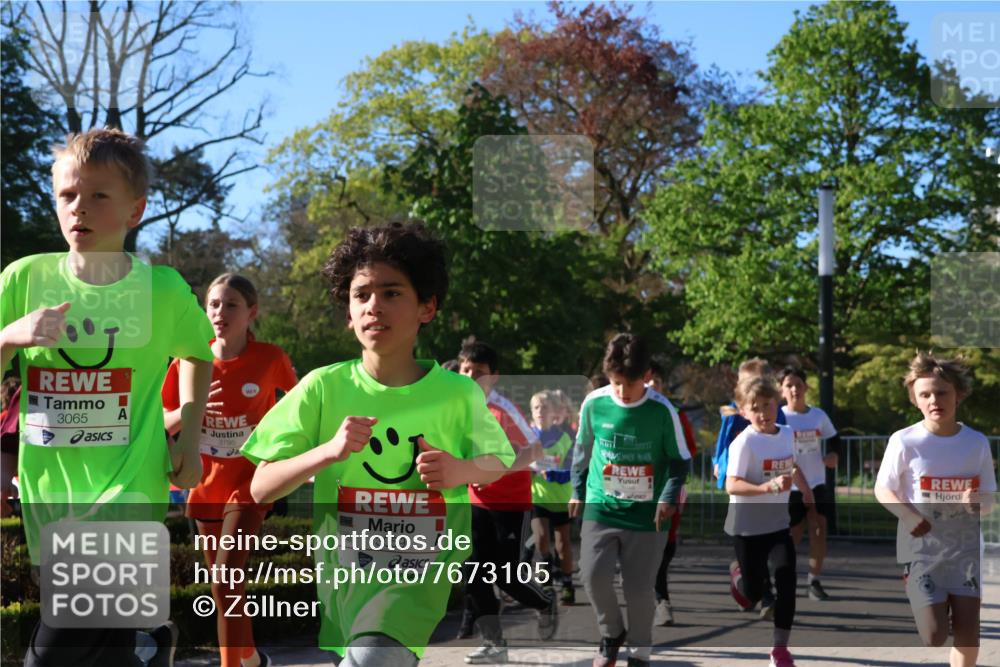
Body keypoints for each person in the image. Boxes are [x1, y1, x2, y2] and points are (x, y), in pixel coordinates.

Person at [244, 223, 517, 667]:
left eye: (392, 293)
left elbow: (499, 460)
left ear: (426, 307)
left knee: (372, 657)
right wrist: (327, 452)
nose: (374, 307)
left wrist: (460, 471)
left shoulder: (457, 393)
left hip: (419, 573)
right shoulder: (321, 388)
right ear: (349, 312)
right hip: (344, 578)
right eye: (362, 295)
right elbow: (261, 488)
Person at [0, 128, 214, 667]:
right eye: (68, 195)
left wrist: (188, 437)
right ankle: (149, 646)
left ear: (134, 210)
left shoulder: (161, 289)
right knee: (102, 645)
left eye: (99, 196)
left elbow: (197, 353)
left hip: (129, 489)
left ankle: (145, 644)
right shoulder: (23, 280)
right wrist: (10, 337)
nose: (80, 209)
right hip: (51, 495)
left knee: (56, 648)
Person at [162, 273, 298, 667]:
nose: (220, 312)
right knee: (225, 587)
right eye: (214, 304)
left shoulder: (271, 358)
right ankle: (252, 658)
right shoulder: (189, 360)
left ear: (251, 312)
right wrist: (192, 411)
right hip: (203, 484)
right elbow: (160, 423)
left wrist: (284, 449)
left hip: (251, 483)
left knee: (225, 578)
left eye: (231, 304)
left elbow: (299, 407)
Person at [570, 333, 690, 667]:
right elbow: (582, 450)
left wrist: (668, 497)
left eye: (630, 383)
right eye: (616, 382)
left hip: (647, 515)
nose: (622, 392)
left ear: (646, 376)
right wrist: (577, 490)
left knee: (639, 591)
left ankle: (640, 653)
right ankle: (611, 634)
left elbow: (681, 461)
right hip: (602, 505)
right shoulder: (595, 403)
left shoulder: (662, 410)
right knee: (592, 575)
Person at [874, 353, 996, 667]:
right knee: (934, 636)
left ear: (959, 393)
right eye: (925, 394)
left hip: (965, 551)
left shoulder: (976, 443)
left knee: (968, 633)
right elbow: (882, 489)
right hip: (923, 552)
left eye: (941, 392)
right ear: (915, 399)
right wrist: (907, 514)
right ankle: (918, 588)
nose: (934, 400)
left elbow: (988, 500)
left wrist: (977, 501)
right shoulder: (905, 441)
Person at [456, 339, 556, 664]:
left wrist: (492, 470)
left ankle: (544, 603)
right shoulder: (456, 405)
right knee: (472, 572)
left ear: (493, 377)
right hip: (474, 503)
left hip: (510, 505)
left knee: (505, 575)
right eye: (465, 369)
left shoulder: (502, 410)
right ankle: (493, 644)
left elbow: (535, 450)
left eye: (479, 372)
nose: (471, 377)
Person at [724, 376, 813, 667]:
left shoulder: (787, 434)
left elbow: (792, 463)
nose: (763, 413)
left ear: (778, 404)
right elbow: (731, 485)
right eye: (756, 407)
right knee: (751, 595)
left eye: (768, 405)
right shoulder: (744, 442)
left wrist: (807, 489)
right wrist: (766, 488)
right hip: (747, 528)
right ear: (744, 412)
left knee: (787, 579)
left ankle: (780, 649)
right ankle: (739, 574)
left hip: (777, 525)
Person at [712, 357, 786, 619]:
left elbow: (785, 443)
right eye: (743, 383)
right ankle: (759, 590)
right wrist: (717, 464)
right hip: (744, 485)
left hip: (773, 490)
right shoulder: (735, 414)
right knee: (752, 547)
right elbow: (723, 445)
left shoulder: (777, 413)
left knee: (771, 545)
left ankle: (764, 592)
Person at [778, 366, 839, 601]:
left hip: (817, 482)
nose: (794, 390)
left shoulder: (818, 416)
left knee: (819, 529)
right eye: (789, 385)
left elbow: (834, 438)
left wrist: (834, 455)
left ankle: (813, 580)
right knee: (792, 534)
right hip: (790, 485)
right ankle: (784, 579)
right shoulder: (780, 416)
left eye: (798, 385)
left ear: (806, 388)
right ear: (782, 390)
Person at [646, 360, 698, 627]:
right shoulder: (627, 413)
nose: (651, 386)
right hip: (636, 489)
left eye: (656, 381)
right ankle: (660, 599)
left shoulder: (675, 414)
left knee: (666, 543)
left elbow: (689, 450)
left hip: (669, 486)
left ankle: (658, 596)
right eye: (647, 381)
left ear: (663, 386)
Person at [528, 390, 576, 605]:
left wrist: (554, 474)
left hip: (561, 498)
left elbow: (572, 470)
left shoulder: (565, 439)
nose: (540, 412)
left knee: (562, 544)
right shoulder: (526, 436)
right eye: (536, 407)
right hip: (537, 498)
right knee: (540, 540)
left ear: (554, 413)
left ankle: (567, 583)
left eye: (544, 407)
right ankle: (546, 582)